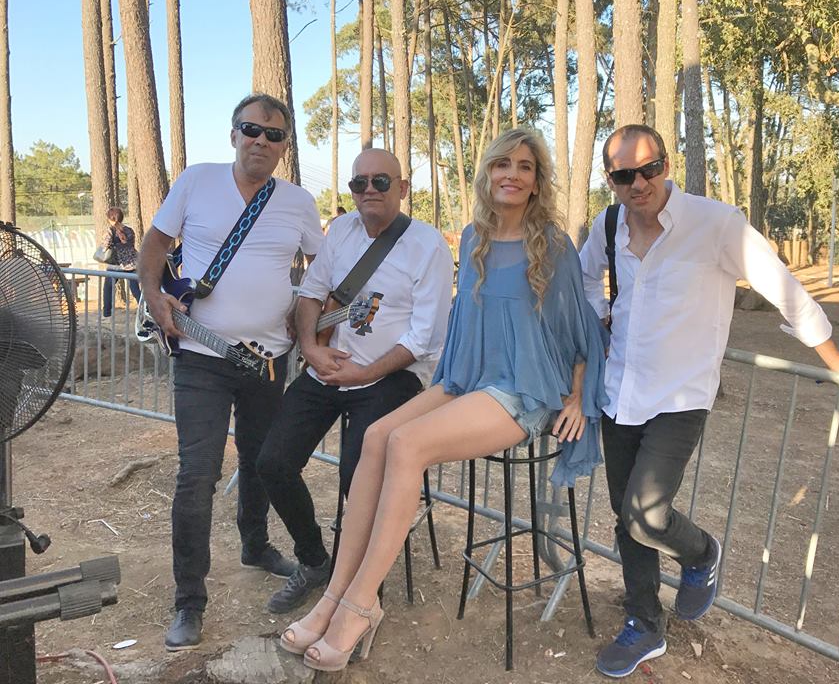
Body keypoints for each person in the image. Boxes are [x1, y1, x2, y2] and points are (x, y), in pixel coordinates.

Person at [277, 128, 608, 672]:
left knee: (406, 443)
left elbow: (579, 328)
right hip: (470, 378)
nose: (512, 174)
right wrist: (448, 385)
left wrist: (576, 396)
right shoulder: (474, 238)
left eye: (525, 166)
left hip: (525, 390)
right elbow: (464, 330)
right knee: (377, 436)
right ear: (488, 174)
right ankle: (335, 595)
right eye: (502, 164)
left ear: (536, 180)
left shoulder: (551, 244)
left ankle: (360, 604)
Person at [580, 124, 839, 678]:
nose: (638, 183)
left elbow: (783, 287)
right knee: (626, 518)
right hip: (619, 392)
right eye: (623, 175)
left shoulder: (717, 224)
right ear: (610, 179)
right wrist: (600, 320)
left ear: (667, 165)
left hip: (680, 395)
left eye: (649, 169)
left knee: (647, 515)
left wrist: (833, 357)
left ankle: (701, 553)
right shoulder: (609, 223)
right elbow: (584, 278)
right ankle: (645, 623)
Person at [137, 93, 325, 651]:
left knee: (261, 461)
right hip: (202, 356)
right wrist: (154, 296)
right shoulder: (196, 181)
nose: (261, 141)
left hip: (268, 360)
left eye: (274, 134)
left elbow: (322, 267)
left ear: (285, 146)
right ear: (234, 133)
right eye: (251, 129)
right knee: (197, 474)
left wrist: (306, 312)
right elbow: (154, 247)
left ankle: (255, 545)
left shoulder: (298, 202)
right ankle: (189, 601)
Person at [255, 147, 455, 615]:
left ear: (402, 189)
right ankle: (315, 562)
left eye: (380, 182)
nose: (369, 190)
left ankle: (358, 591)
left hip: (390, 378)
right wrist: (311, 348)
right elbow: (312, 293)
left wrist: (365, 372)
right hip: (328, 368)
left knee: (356, 479)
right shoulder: (341, 230)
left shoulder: (428, 247)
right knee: (273, 462)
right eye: (358, 183)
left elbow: (424, 336)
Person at [100, 207, 141, 318]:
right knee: (135, 289)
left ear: (110, 219)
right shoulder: (129, 230)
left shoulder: (110, 231)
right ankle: (144, 309)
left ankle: (107, 312)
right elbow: (130, 245)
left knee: (108, 287)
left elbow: (105, 246)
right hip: (132, 263)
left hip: (116, 264)